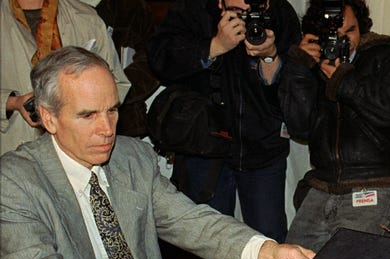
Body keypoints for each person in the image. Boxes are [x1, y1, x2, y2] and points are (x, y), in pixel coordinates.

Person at [0, 46, 317, 259]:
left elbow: (189, 221)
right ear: (48, 118)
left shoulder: (132, 156)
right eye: (87, 115)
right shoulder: (14, 180)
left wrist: (265, 251)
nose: (107, 129)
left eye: (112, 110)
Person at [146, 0, 302, 243]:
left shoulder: (280, 13)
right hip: (203, 145)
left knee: (270, 240)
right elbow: (160, 60)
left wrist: (270, 57)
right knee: (207, 240)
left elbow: (297, 83)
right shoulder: (194, 9)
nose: (246, 7)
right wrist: (214, 46)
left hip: (263, 146)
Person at [278, 0, 390, 252]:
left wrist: (344, 80)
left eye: (350, 31)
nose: (343, 40)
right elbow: (300, 128)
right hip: (321, 186)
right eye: (333, 33)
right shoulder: (314, 66)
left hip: (375, 184)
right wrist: (299, 70)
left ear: (363, 27)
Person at [0, 0, 130, 155]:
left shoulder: (86, 17)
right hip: (12, 145)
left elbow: (118, 83)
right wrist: (12, 102)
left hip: (79, 154)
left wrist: (87, 107)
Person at [77, 0, 160, 137]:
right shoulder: (62, 12)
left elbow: (153, 61)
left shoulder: (133, 9)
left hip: (127, 122)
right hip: (75, 124)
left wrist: (115, 89)